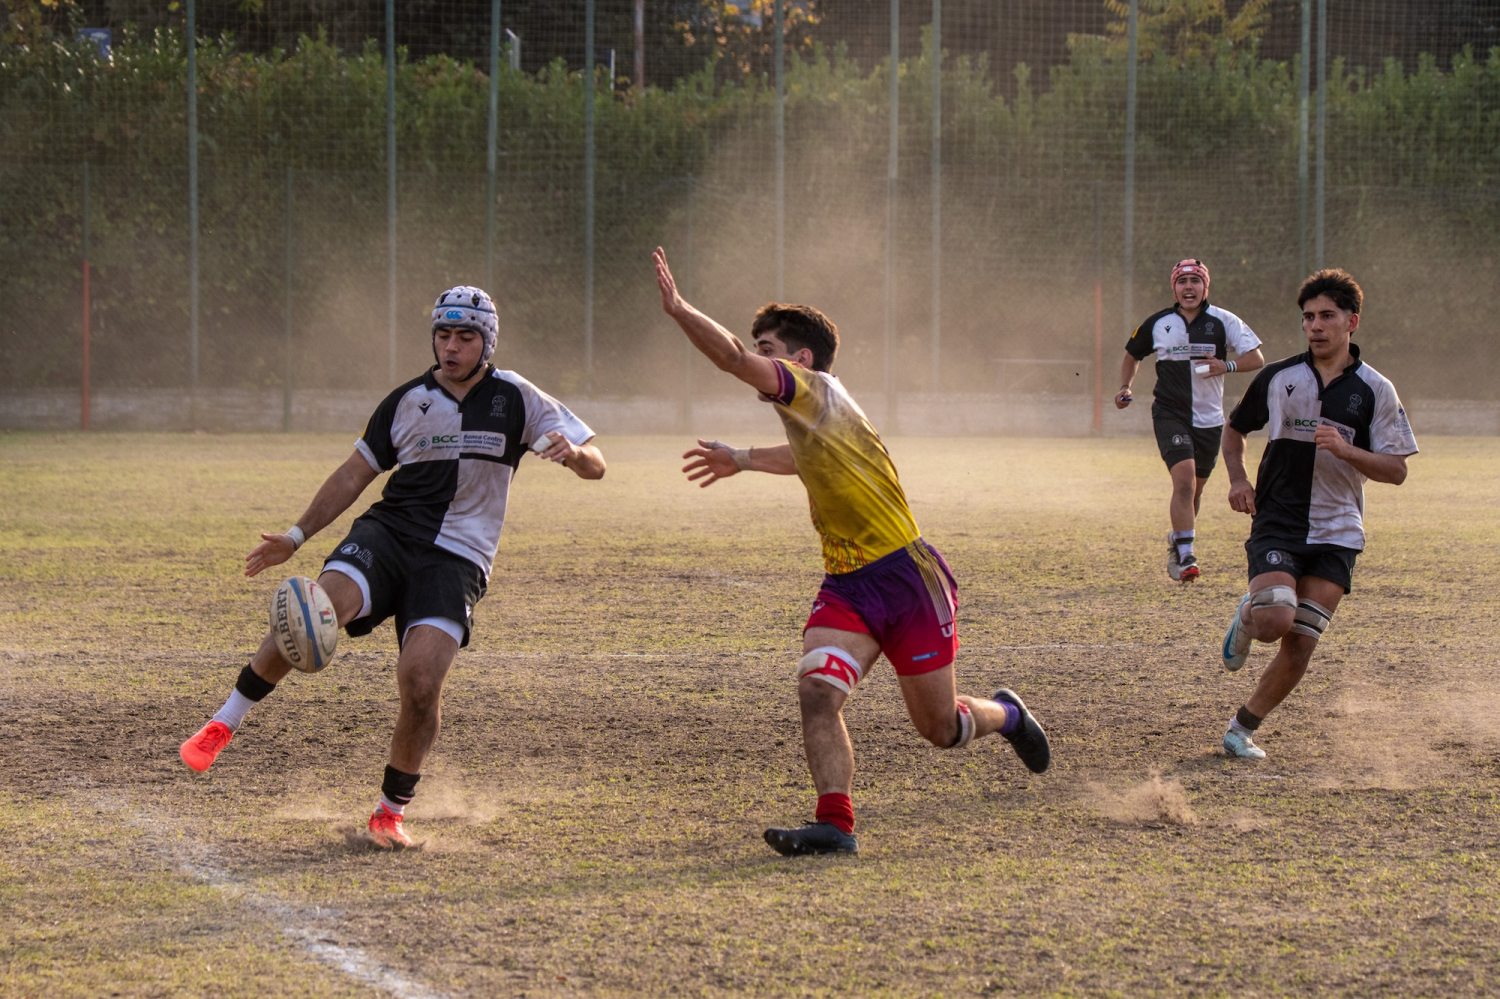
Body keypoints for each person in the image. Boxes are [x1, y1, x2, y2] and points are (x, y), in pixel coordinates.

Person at [652, 246, 1051, 857]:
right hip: (847, 585)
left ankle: (1008, 714)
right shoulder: (815, 410)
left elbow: (730, 357)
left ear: (800, 359)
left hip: (906, 577)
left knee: (941, 729)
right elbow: (806, 461)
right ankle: (835, 824)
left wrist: (679, 310)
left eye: (770, 348)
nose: (760, 359)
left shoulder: (812, 388)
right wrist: (743, 459)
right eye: (761, 349)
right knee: (818, 690)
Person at [179, 285, 606, 847]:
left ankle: (389, 810)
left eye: (465, 336)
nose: (451, 347)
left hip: (458, 557)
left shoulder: (519, 399)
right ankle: (223, 721)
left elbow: (597, 464)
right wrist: (295, 535)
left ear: (488, 342)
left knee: (421, 681)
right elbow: (354, 475)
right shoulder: (407, 400)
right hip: (389, 534)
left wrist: (573, 455)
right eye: (443, 334)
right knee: (316, 609)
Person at [1218, 268, 1417, 760]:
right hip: (1280, 518)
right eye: (1308, 317)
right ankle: (1247, 619)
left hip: (1339, 529)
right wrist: (1239, 479)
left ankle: (1240, 731)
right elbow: (1235, 429)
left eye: (1327, 316)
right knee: (1275, 620)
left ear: (1352, 321)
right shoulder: (1279, 377)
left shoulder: (1376, 389)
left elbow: (1396, 470)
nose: (1315, 326)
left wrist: (1349, 452)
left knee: (1301, 641)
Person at [1117, 258, 1265, 581]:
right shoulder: (1158, 323)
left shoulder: (1223, 321)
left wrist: (1226, 367)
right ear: (1174, 287)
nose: (1188, 287)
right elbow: (1132, 354)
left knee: (1194, 492)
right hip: (1170, 413)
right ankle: (1186, 557)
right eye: (1182, 282)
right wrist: (1125, 386)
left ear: (1205, 287)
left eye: (1195, 281)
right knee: (1183, 481)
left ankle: (1178, 539)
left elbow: (1256, 357)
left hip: (1210, 420)